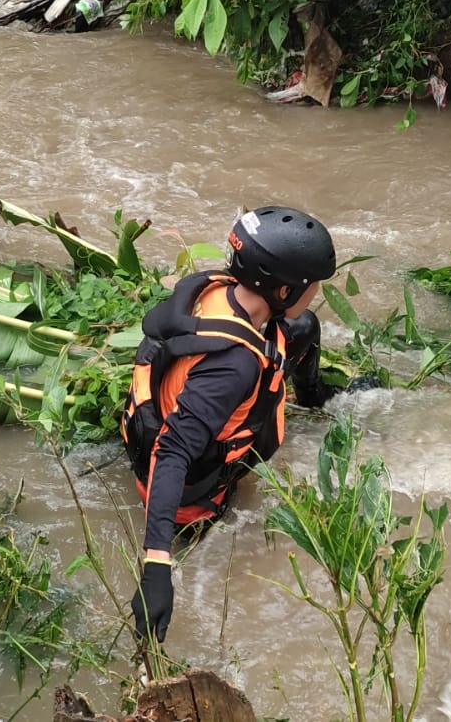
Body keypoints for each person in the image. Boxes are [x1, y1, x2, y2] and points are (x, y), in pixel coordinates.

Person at [122, 206, 341, 644]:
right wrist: (158, 565)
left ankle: (318, 397)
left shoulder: (222, 292)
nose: (316, 291)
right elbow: (173, 452)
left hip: (175, 422)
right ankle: (199, 525)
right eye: (313, 284)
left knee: (303, 328)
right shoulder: (235, 366)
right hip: (192, 497)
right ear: (282, 289)